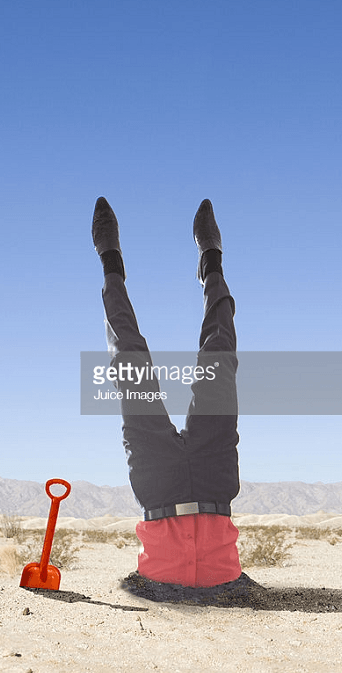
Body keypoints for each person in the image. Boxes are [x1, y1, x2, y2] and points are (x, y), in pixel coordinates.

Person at [92, 197, 250, 600]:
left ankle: (201, 262)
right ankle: (125, 263)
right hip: (211, 474)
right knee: (219, 354)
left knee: (130, 364)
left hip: (159, 479)